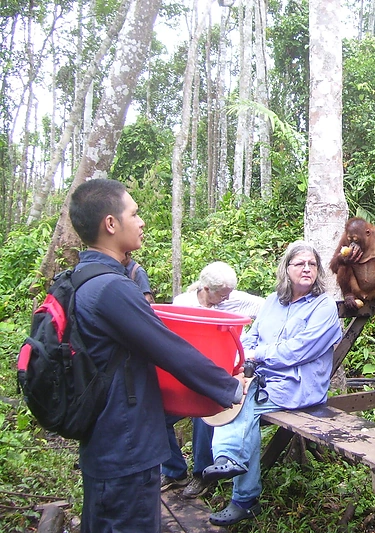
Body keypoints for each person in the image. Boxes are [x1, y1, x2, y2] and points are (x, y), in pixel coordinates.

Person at [67, 178, 246, 533]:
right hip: (125, 446)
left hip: (106, 438)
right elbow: (168, 348)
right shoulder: (112, 288)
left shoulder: (80, 277)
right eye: (134, 213)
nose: (142, 221)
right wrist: (229, 388)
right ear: (111, 223)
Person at [201, 241, 342, 526]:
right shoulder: (272, 302)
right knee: (235, 392)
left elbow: (300, 350)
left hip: (298, 386)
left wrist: (258, 355)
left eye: (312, 264)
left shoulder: (324, 306)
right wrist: (240, 357)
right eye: (299, 263)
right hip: (265, 380)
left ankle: (239, 484)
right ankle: (237, 477)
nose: (306, 268)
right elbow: (252, 337)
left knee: (242, 399)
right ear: (286, 269)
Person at [161, 261, 265, 499]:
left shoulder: (234, 299)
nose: (226, 298)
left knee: (205, 416)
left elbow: (268, 307)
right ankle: (174, 470)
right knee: (160, 415)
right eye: (222, 294)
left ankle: (202, 474)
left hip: (219, 375)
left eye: (229, 294)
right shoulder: (183, 304)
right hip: (186, 374)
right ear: (206, 289)